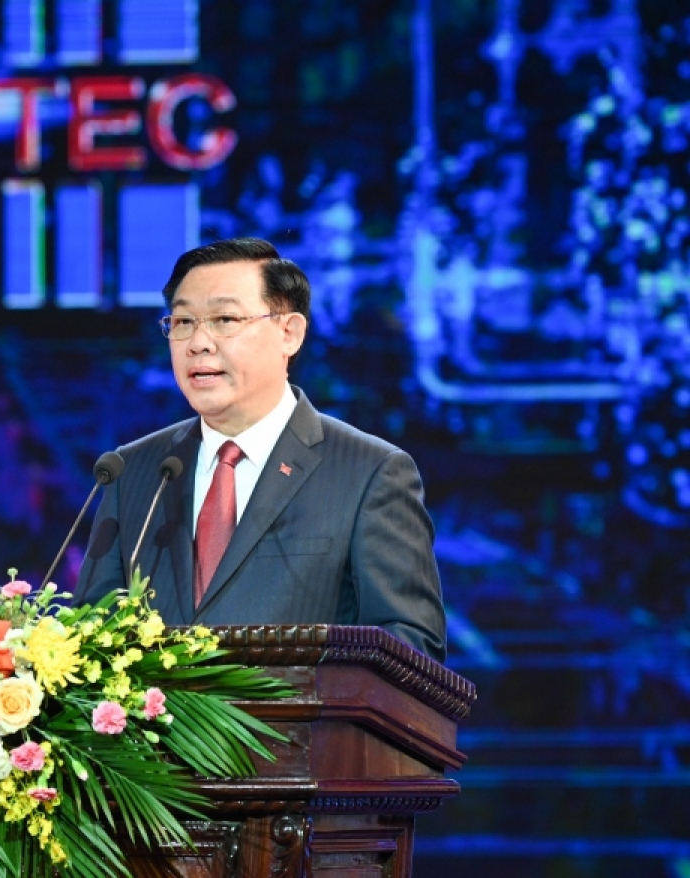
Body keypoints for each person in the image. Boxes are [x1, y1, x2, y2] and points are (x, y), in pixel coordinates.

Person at [74, 238, 447, 661]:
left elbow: (411, 649)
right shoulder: (133, 469)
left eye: (224, 319)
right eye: (182, 322)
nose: (198, 342)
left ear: (289, 333)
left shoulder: (369, 473)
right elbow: (91, 636)